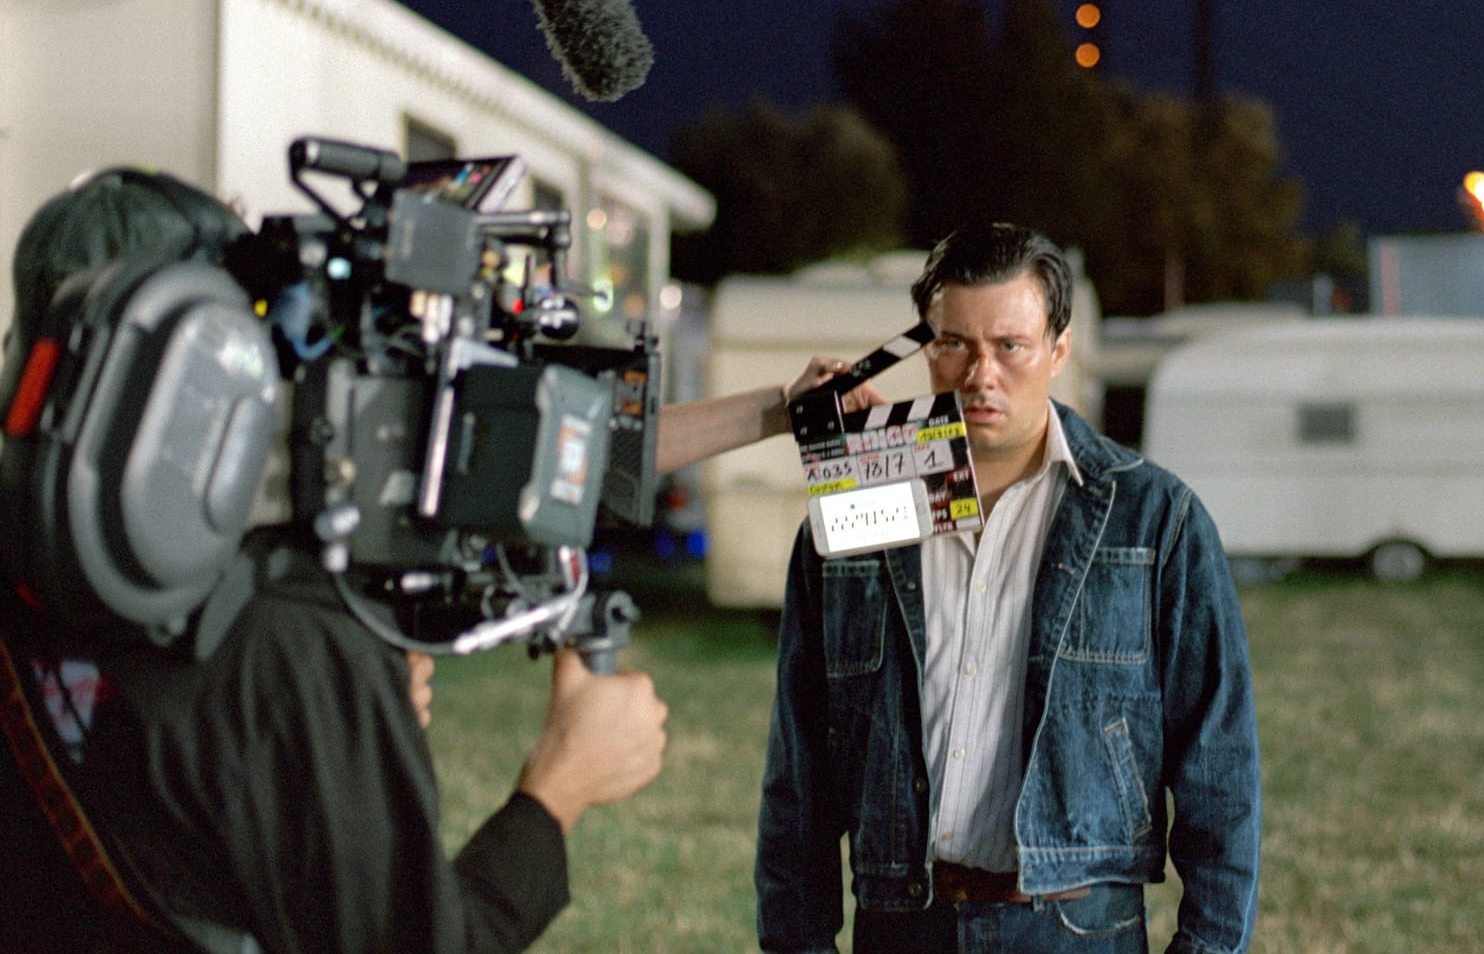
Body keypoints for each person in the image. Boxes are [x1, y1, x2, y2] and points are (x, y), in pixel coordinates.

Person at [0, 167, 869, 953]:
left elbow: (565, 460)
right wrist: (558, 787)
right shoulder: (285, 642)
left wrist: (771, 409)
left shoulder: (43, 570)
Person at [756, 221, 1261, 953]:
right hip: (902, 924)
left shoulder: (1153, 518)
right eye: (954, 343)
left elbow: (1222, 768)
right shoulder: (853, 514)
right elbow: (797, 769)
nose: (979, 374)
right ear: (925, 347)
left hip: (1076, 927)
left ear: (1059, 349)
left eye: (1010, 347)